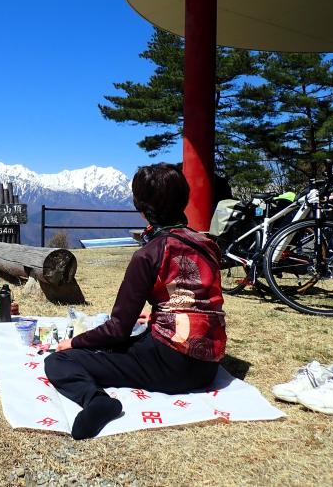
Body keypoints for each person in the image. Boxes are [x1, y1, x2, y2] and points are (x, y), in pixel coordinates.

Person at [44, 163, 226, 440]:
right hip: (208, 366)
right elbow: (198, 301)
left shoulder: (149, 253)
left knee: (59, 361)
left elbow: (118, 328)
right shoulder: (207, 245)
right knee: (127, 340)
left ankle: (97, 401)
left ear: (142, 208)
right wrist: (157, 317)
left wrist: (75, 343)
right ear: (184, 200)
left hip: (171, 365)